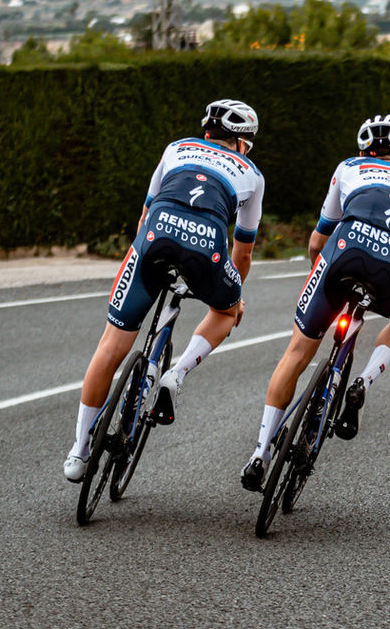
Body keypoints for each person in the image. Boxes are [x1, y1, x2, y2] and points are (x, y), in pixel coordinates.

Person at [240, 114, 390, 491]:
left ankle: (260, 453)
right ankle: (364, 380)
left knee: (298, 352)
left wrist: (319, 272)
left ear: (364, 149)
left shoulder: (349, 167)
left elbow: (318, 242)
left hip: (344, 255)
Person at [64, 99, 265, 482]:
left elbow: (145, 213)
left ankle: (78, 451)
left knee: (111, 344)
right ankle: (177, 374)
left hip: (155, 236)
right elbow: (243, 249)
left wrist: (142, 258)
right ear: (241, 142)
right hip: (207, 248)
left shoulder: (176, 148)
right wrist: (234, 295)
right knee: (226, 311)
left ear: (207, 132)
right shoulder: (252, 174)